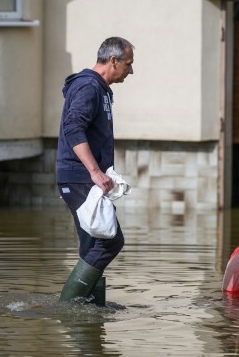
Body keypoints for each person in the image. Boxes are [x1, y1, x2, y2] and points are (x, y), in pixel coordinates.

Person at [56, 37, 135, 304]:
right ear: (113, 60)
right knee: (110, 240)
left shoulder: (98, 89)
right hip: (82, 178)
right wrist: (91, 173)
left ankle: (91, 311)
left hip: (77, 179)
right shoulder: (89, 87)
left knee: (92, 244)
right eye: (128, 64)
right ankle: (67, 306)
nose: (131, 71)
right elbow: (73, 127)